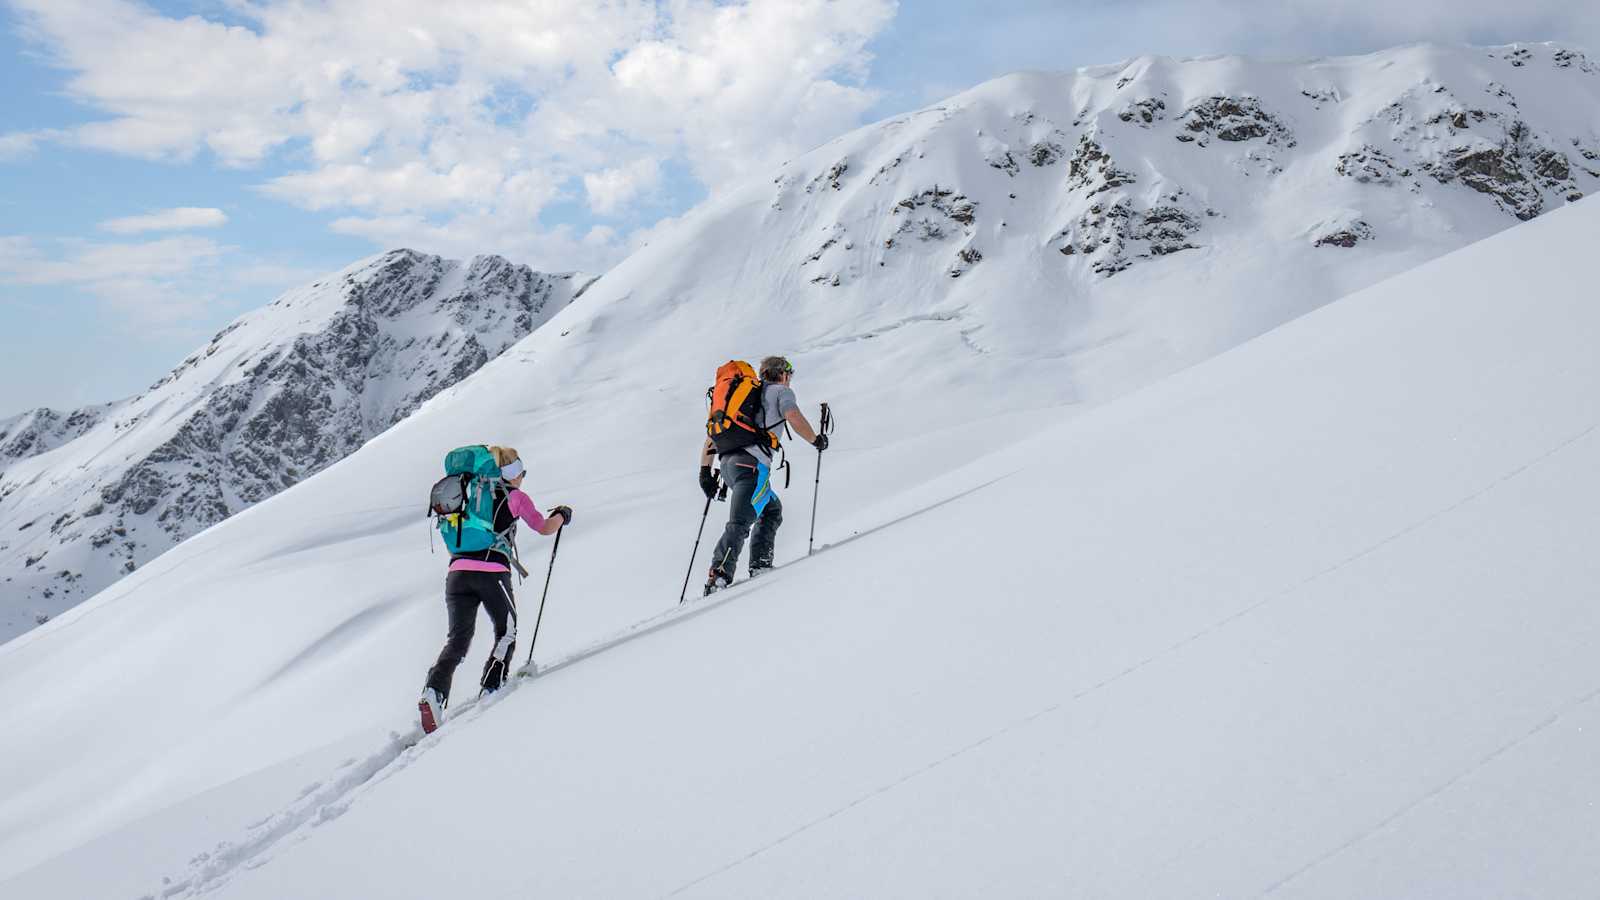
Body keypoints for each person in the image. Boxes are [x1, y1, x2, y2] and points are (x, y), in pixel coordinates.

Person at [419, 446, 571, 733]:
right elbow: (543, 527)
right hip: (492, 573)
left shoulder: (467, 496)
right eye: (520, 470)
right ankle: (492, 687)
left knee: (458, 639)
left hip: (457, 573)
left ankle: (434, 692)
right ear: (511, 472)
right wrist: (562, 515)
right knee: (507, 631)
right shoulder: (515, 497)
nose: (522, 476)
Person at [698, 356, 827, 594]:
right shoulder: (780, 392)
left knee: (771, 508)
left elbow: (711, 436)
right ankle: (719, 576)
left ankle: (760, 565)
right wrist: (815, 439)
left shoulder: (745, 397)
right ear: (784, 374)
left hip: (728, 465)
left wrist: (705, 472)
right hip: (752, 467)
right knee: (740, 523)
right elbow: (793, 416)